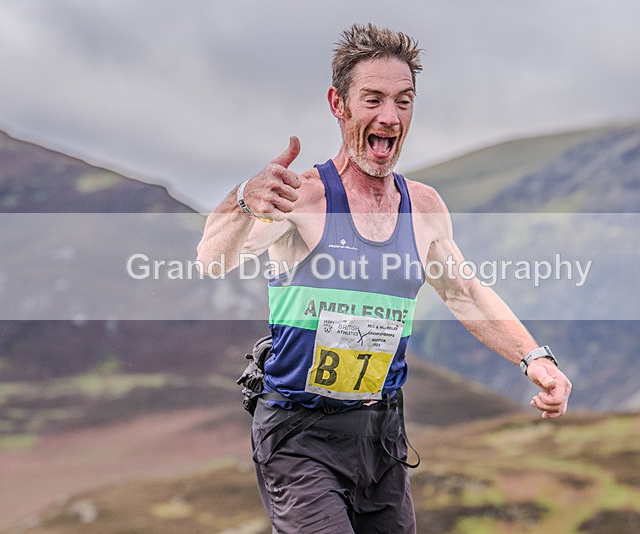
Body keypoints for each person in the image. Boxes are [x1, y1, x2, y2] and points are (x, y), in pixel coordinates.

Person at [197, 22, 572, 534]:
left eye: (404, 101)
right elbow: (212, 260)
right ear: (339, 104)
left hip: (381, 436)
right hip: (299, 436)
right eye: (372, 99)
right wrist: (243, 199)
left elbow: (464, 292)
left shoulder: (423, 207)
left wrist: (535, 359)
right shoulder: (303, 197)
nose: (389, 117)